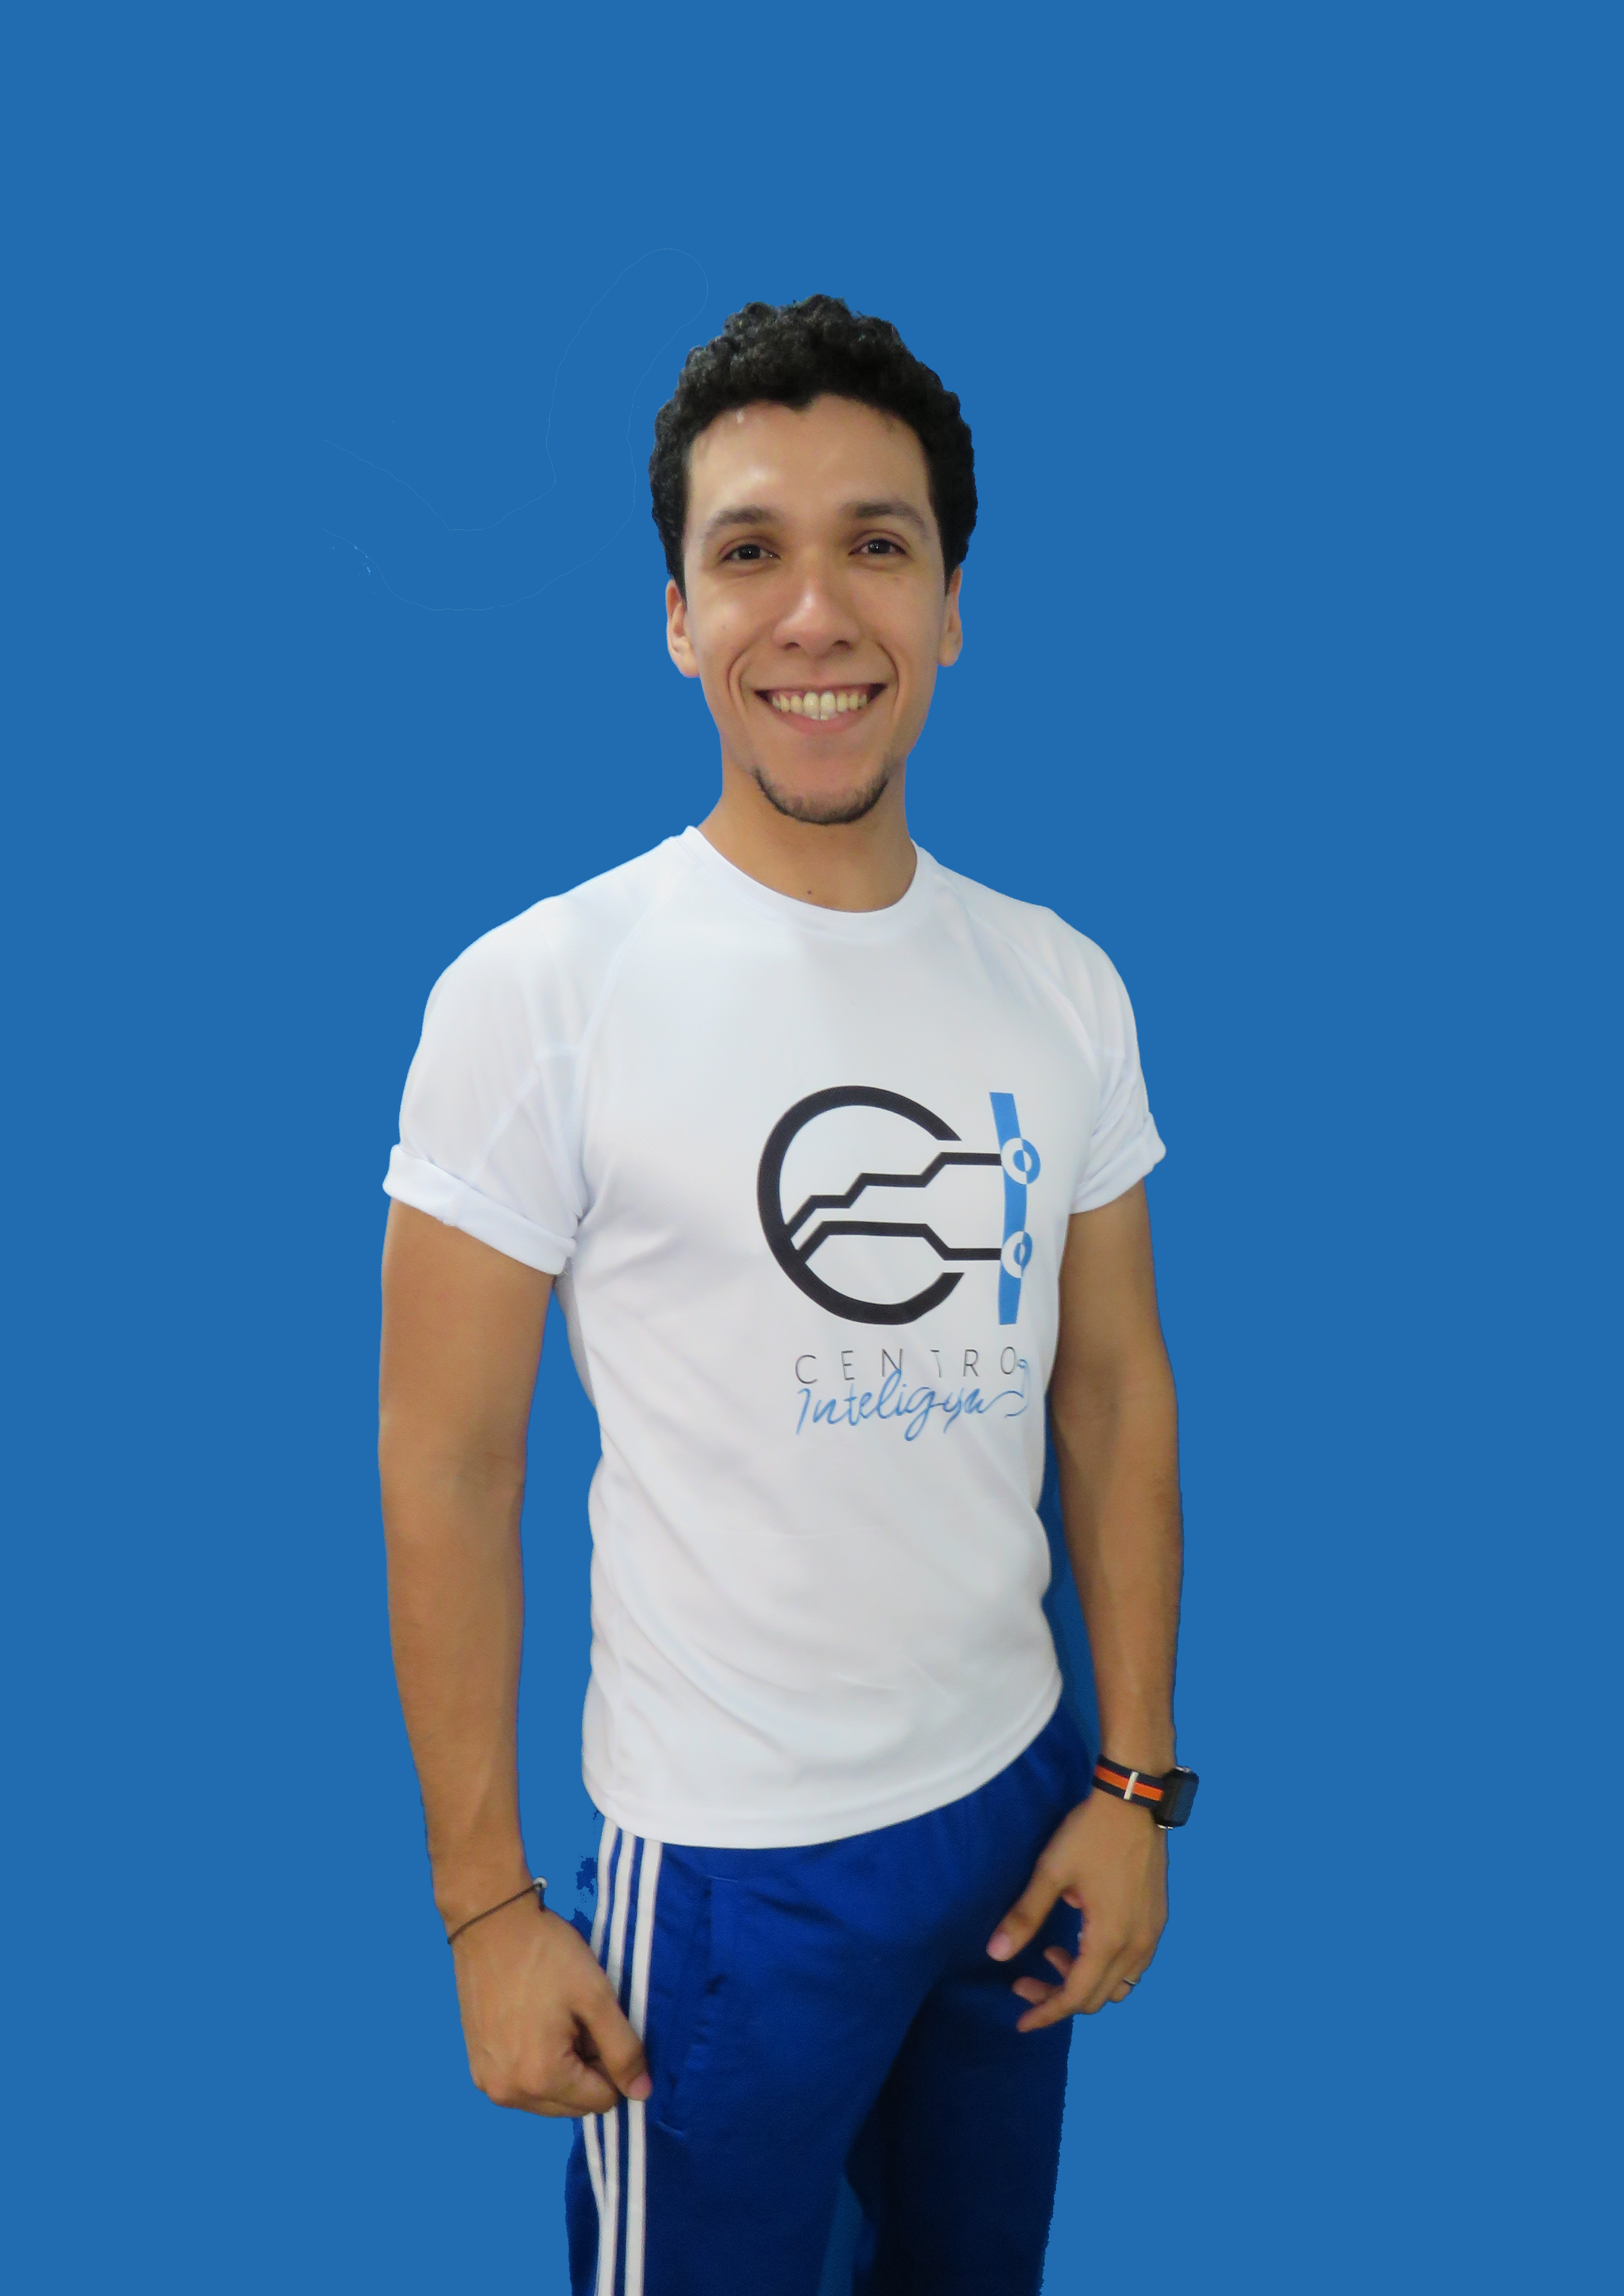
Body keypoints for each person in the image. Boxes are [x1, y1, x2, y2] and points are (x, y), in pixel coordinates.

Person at [378, 294, 1191, 2296]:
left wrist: (1134, 1779)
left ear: (952, 605)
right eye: (750, 551)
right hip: (732, 1870)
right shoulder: (540, 996)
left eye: (876, 544)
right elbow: (449, 1463)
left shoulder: (1061, 981)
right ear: (679, 616)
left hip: (1020, 1796)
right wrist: (486, 1907)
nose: (815, 613)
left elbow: (1111, 1396)